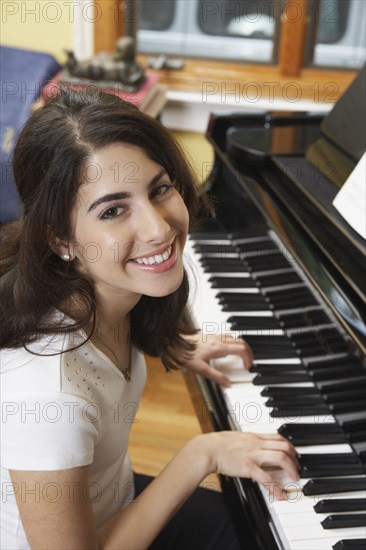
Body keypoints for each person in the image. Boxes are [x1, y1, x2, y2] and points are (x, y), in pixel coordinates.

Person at [0, 88, 299, 550]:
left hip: (112, 503)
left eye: (160, 189)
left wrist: (174, 342)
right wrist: (202, 454)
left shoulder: (104, 295)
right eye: (113, 210)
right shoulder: (47, 398)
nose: (159, 228)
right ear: (60, 240)